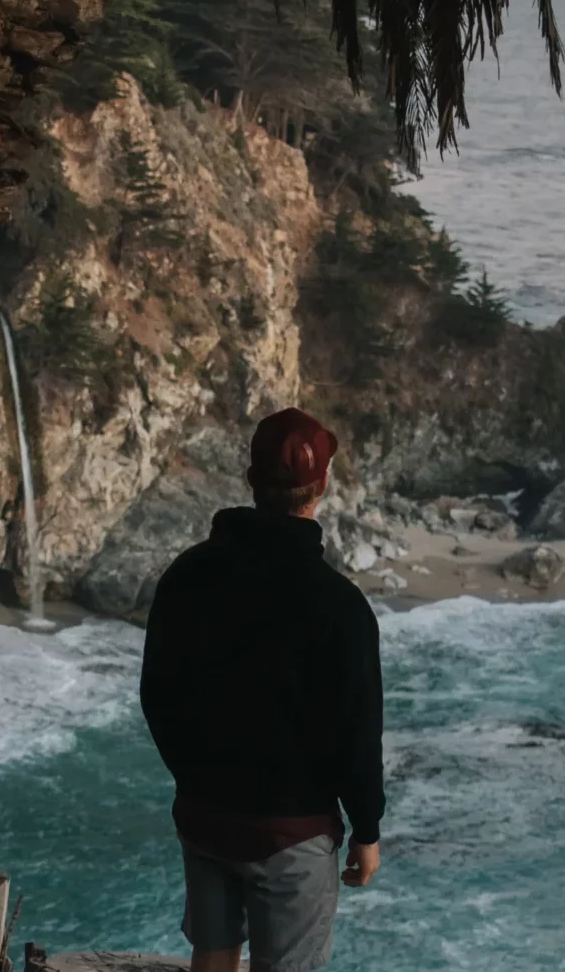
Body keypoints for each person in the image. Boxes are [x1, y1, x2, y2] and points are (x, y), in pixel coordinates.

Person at [139, 407, 385, 972]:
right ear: (321, 486)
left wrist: (195, 777)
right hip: (292, 831)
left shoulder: (188, 576)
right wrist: (366, 829)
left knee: (214, 955)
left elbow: (158, 694)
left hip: (204, 813)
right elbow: (357, 731)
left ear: (251, 481)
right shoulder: (339, 606)